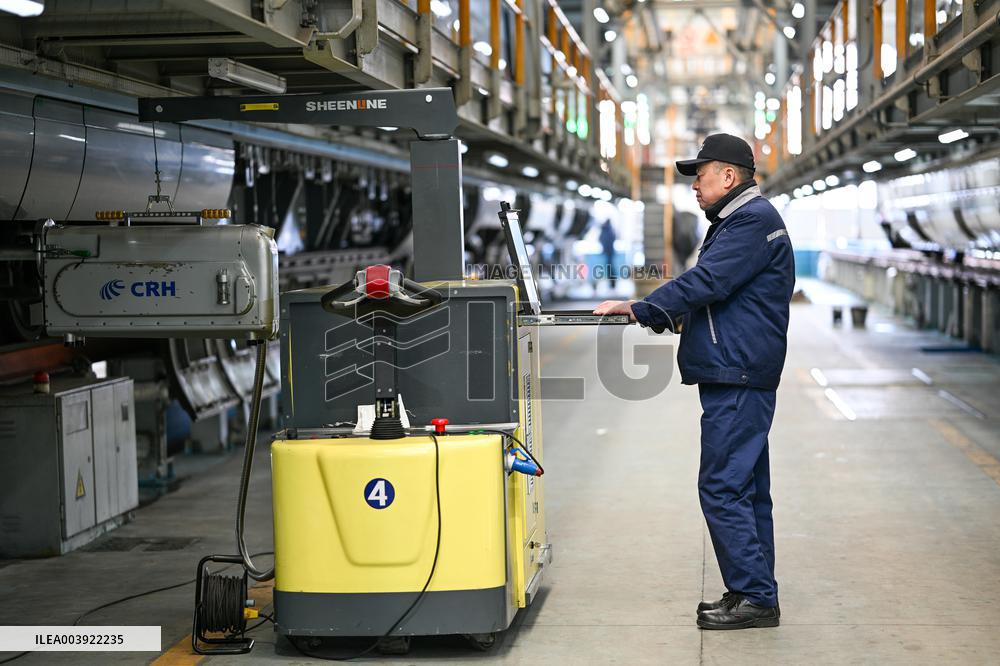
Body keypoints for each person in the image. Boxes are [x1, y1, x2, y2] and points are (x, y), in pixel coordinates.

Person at [594, 133, 795, 630]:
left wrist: (642, 306)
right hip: (738, 365)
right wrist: (678, 319)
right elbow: (724, 298)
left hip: (738, 372)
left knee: (723, 486)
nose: (694, 187)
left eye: (700, 176)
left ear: (729, 176)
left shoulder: (750, 221)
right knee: (745, 488)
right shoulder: (740, 221)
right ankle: (751, 590)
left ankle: (755, 596)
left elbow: (708, 283)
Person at [599, 219, 617, 289]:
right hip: (610, 252)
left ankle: (612, 284)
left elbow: (602, 239)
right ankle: (612, 284)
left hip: (608, 252)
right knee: (610, 268)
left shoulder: (606, 230)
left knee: (609, 269)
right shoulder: (610, 230)